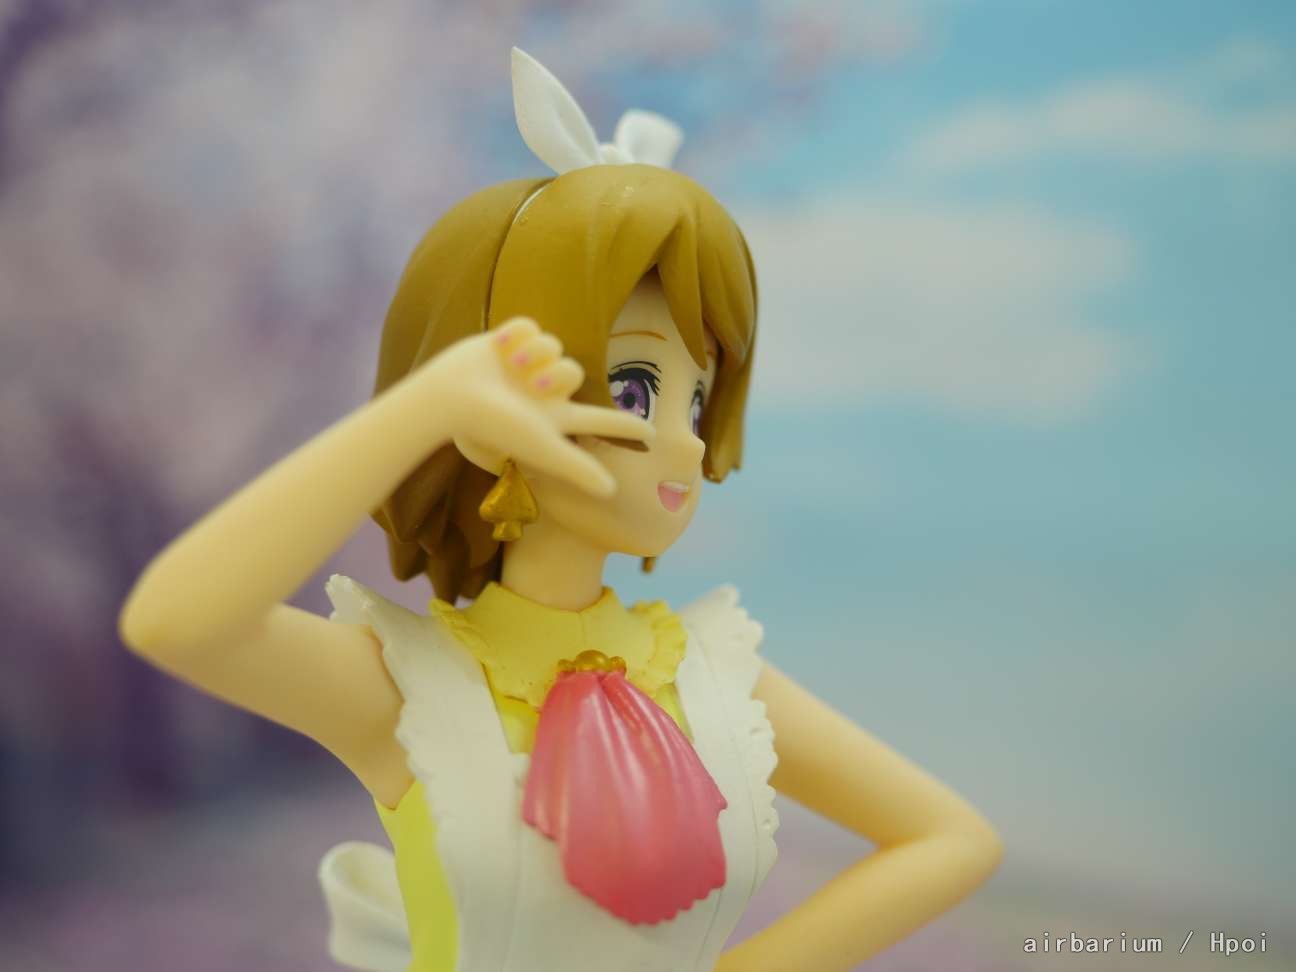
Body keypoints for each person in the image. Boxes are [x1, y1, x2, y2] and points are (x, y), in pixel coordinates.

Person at [119, 48, 1002, 972]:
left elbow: (950, 840)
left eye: (698, 400)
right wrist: (426, 406)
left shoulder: (713, 676)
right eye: (633, 389)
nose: (683, 443)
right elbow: (177, 622)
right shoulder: (411, 690)